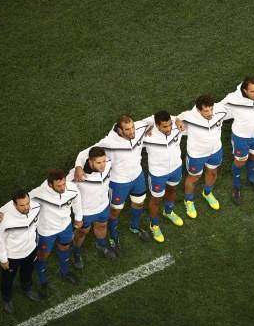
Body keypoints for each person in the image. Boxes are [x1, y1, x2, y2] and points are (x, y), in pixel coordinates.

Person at [0, 170, 83, 297]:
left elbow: (77, 201)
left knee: (65, 247)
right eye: (59, 186)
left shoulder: (71, 189)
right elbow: (19, 202)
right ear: (50, 184)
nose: (63, 188)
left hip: (66, 226)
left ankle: (65, 271)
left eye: (64, 184)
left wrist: (79, 217)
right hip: (46, 231)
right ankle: (43, 281)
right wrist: (1, 211)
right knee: (43, 255)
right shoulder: (39, 193)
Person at [74, 115, 151, 255]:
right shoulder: (109, 142)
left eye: (132, 127)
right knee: (115, 211)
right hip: (119, 183)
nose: (132, 131)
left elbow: (152, 120)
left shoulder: (139, 128)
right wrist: (79, 167)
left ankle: (135, 227)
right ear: (119, 130)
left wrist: (174, 121)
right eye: (127, 129)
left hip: (138, 176)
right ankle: (113, 236)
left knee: (139, 203)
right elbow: (85, 153)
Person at [220, 76, 254, 204]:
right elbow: (215, 108)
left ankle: (252, 179)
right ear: (245, 90)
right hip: (241, 139)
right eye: (252, 91)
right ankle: (237, 186)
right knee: (240, 162)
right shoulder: (232, 99)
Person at [176, 94, 230, 216]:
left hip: (215, 150)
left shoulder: (220, 110)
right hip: (196, 155)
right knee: (194, 178)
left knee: (213, 172)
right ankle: (188, 201)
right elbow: (175, 119)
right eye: (206, 110)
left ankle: (207, 193)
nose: (210, 112)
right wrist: (178, 120)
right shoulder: (188, 116)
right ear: (198, 109)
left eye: (211, 109)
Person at [0, 190, 42, 314]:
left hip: (31, 250)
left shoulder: (36, 207)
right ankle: (7, 299)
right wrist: (3, 259)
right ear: (14, 205)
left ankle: (27, 288)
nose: (26, 207)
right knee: (7, 279)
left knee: (27, 272)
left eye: (27, 203)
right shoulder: (5, 221)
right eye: (22, 205)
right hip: (13, 257)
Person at [142, 110, 185, 243]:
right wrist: (147, 125)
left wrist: (177, 118)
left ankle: (168, 211)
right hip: (158, 174)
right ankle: (154, 225)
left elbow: (189, 114)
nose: (168, 129)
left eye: (169, 125)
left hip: (176, 168)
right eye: (164, 127)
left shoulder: (177, 126)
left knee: (172, 190)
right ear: (156, 125)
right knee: (156, 199)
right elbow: (136, 126)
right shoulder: (147, 135)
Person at [70, 146, 116, 269]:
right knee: (81, 233)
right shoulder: (77, 175)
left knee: (102, 226)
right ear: (90, 161)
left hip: (103, 207)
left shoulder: (107, 165)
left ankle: (102, 246)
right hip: (86, 212)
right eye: (98, 163)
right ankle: (76, 253)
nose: (102, 166)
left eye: (103, 161)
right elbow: (64, 189)